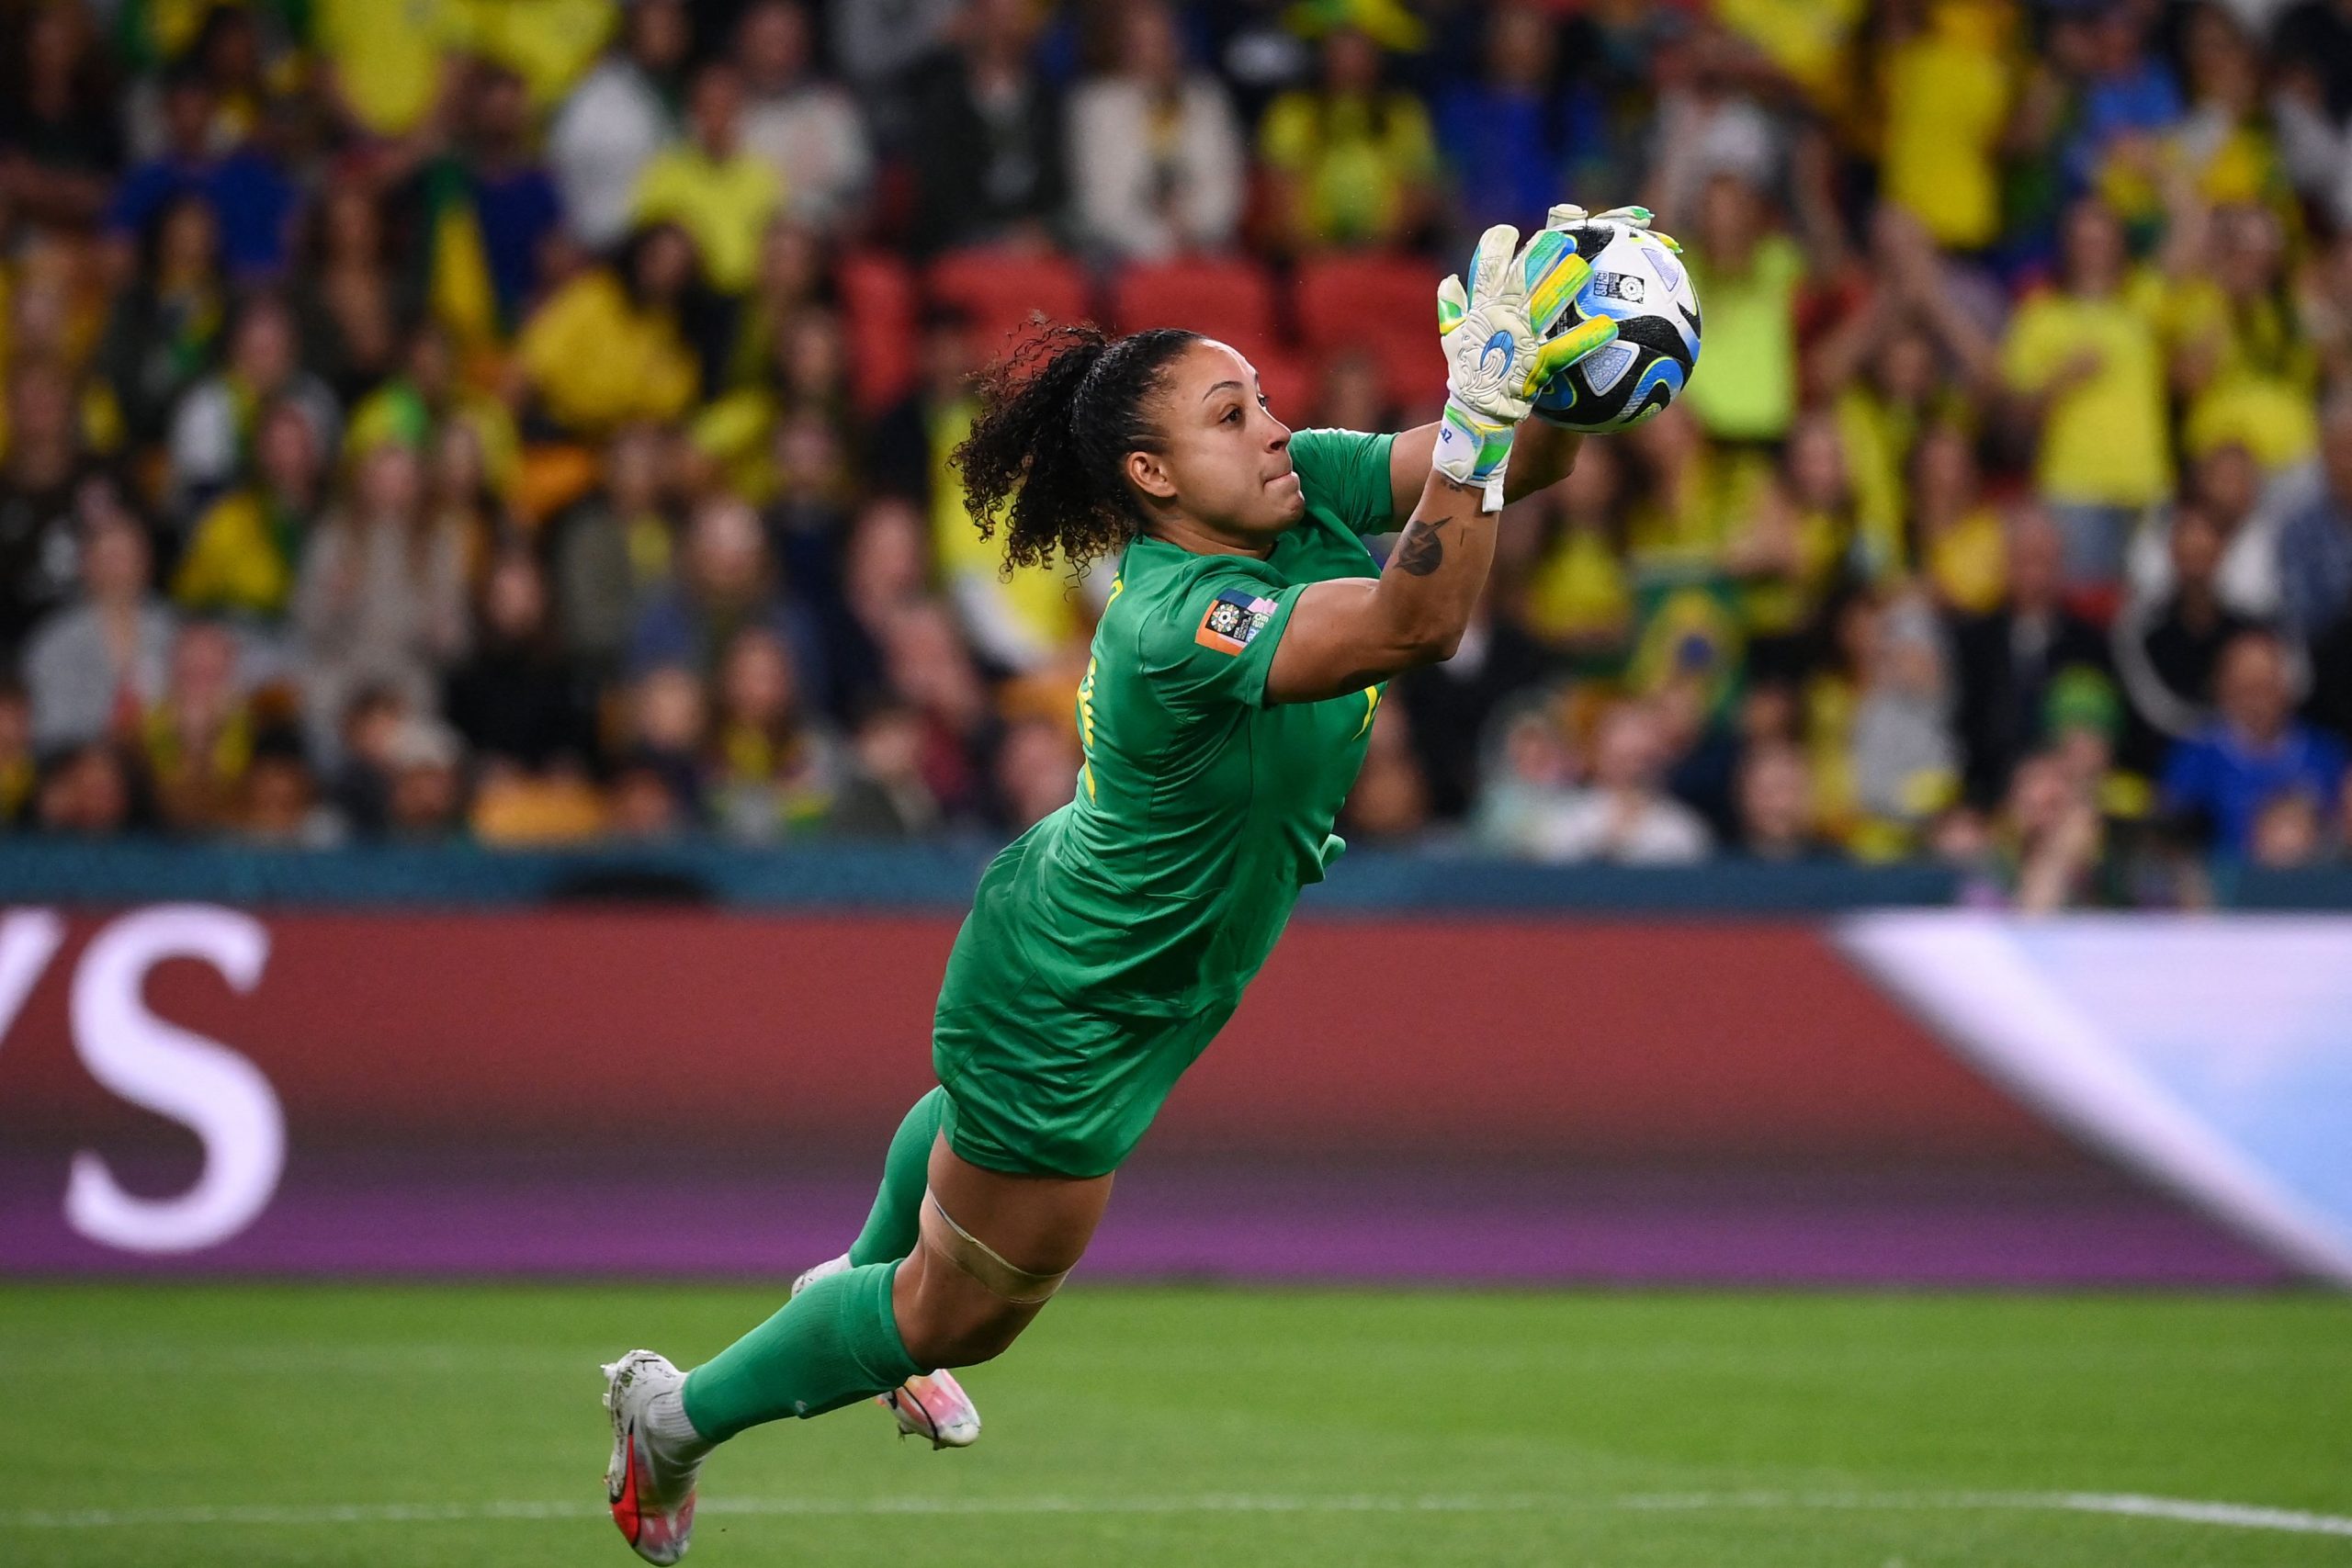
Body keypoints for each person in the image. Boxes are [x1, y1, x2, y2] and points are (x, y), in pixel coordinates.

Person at [598, 214, 1629, 1563]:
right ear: (1150, 474)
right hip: (1078, 999)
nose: (1271, 427)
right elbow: (1412, 622)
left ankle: (847, 1284)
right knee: (968, 1317)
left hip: (1104, 937)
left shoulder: (1297, 486)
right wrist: (1482, 419)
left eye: (1261, 397)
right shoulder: (1168, 622)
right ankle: (672, 1420)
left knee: (940, 1238)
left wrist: (1557, 363)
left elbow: (1505, 470)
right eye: (1229, 413)